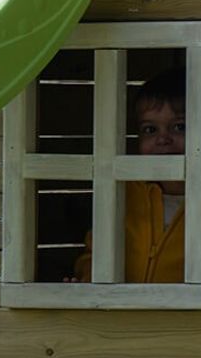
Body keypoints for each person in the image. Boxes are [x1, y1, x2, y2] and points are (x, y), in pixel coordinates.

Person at [72, 67, 186, 283]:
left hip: (187, 313)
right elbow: (94, 253)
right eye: (150, 130)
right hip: (123, 312)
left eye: (179, 127)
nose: (163, 139)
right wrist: (87, 280)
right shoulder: (123, 193)